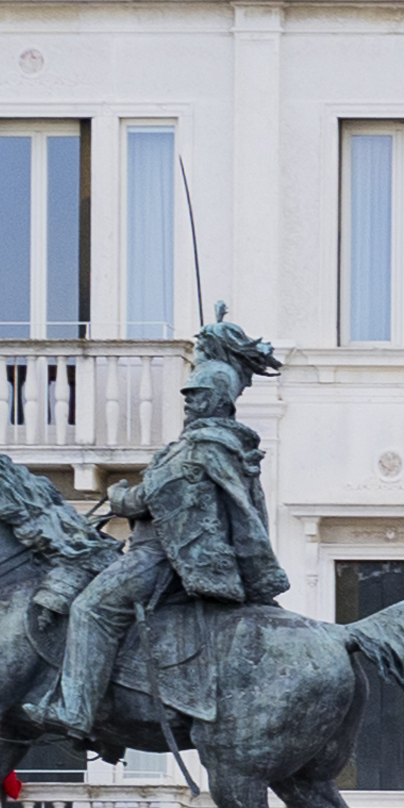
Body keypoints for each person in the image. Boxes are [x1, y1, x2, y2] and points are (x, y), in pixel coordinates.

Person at [39, 315, 287, 746]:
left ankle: (76, 711)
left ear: (218, 401)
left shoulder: (203, 446)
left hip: (161, 556)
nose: (189, 403)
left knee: (91, 608)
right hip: (157, 549)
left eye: (199, 396)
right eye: (189, 396)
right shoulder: (208, 444)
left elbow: (165, 497)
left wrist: (120, 500)